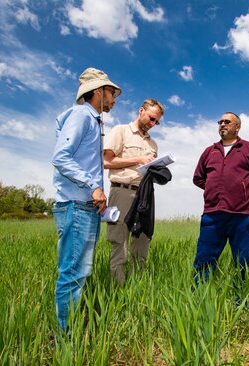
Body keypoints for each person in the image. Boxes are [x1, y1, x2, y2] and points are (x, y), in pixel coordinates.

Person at [51, 67, 121, 331]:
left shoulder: (94, 121)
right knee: (71, 274)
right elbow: (61, 157)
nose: (114, 99)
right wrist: (94, 186)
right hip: (75, 207)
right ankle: (65, 340)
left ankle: (69, 331)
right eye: (111, 93)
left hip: (85, 208)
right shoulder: (81, 115)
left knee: (79, 273)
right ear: (98, 91)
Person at [192, 112, 249, 287]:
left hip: (241, 215)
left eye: (227, 122)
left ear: (237, 126)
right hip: (212, 215)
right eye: (220, 122)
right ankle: (199, 296)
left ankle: (241, 300)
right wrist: (213, 189)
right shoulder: (209, 151)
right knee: (204, 258)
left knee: (243, 260)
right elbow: (198, 178)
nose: (222, 124)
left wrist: (244, 192)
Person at [103, 98, 165, 285]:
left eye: (156, 122)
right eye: (151, 118)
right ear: (141, 110)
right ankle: (118, 289)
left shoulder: (153, 145)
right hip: (122, 191)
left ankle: (137, 289)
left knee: (142, 239)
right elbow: (106, 162)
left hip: (145, 194)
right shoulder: (120, 131)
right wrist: (138, 159)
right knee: (119, 241)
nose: (153, 124)